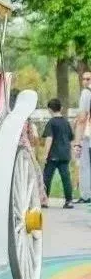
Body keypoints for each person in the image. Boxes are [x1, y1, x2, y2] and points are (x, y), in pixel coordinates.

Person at [41, 98, 75, 209]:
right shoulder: (66, 122)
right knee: (66, 178)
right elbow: (71, 139)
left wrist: (45, 155)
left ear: (50, 110)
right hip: (64, 155)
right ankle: (69, 201)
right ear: (61, 108)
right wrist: (72, 153)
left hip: (53, 155)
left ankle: (44, 200)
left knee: (47, 177)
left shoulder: (51, 123)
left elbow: (49, 139)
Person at [75, 72, 91, 204]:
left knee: (85, 165)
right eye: (84, 79)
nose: (86, 81)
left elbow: (82, 118)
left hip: (87, 135)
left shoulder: (86, 93)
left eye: (88, 79)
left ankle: (86, 195)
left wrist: (77, 141)